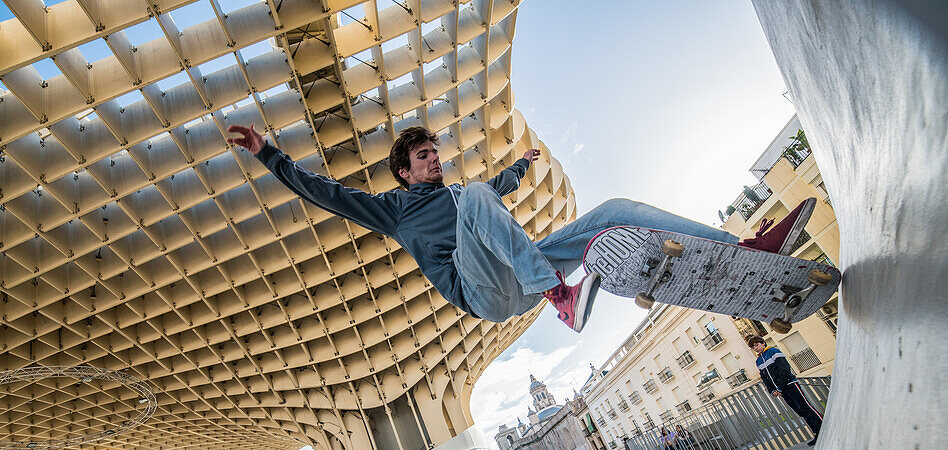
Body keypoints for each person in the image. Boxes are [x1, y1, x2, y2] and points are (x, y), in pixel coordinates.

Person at [227, 123, 816, 333]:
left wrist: (521, 169)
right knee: (476, 197)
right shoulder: (396, 210)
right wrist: (267, 154)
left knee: (610, 209)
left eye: (436, 152)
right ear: (404, 174)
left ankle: (743, 248)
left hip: (520, 268)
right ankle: (559, 295)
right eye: (425, 157)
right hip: (485, 291)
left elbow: (499, 191)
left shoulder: (465, 192)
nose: (436, 160)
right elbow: (325, 195)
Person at [748, 336, 824, 445]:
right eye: (753, 347)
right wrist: (772, 390)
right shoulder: (759, 361)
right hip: (781, 390)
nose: (755, 348)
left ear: (763, 343)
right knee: (800, 411)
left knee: (806, 407)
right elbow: (764, 378)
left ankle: (824, 428)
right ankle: (817, 432)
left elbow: (784, 369)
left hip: (790, 384)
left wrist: (779, 387)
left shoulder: (773, 351)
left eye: (757, 345)